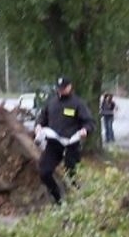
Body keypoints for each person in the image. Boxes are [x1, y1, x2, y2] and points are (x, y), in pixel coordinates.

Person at [34, 76, 95, 204]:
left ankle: (79, 201)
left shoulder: (77, 103)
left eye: (63, 88)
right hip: (54, 143)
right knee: (44, 171)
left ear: (69, 87)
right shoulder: (51, 102)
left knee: (71, 175)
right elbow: (42, 117)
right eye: (58, 89)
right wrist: (39, 125)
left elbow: (89, 122)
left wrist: (85, 130)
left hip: (71, 143)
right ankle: (58, 200)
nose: (60, 91)